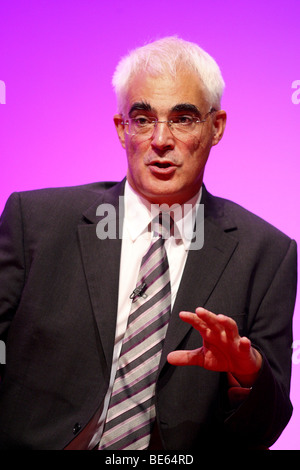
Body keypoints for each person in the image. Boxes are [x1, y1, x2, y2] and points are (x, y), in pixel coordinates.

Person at [0, 36, 297, 451]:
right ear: (122, 130)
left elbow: (264, 429)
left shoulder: (267, 254)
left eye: (183, 118)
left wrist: (247, 375)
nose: (160, 139)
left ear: (216, 128)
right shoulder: (36, 223)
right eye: (142, 119)